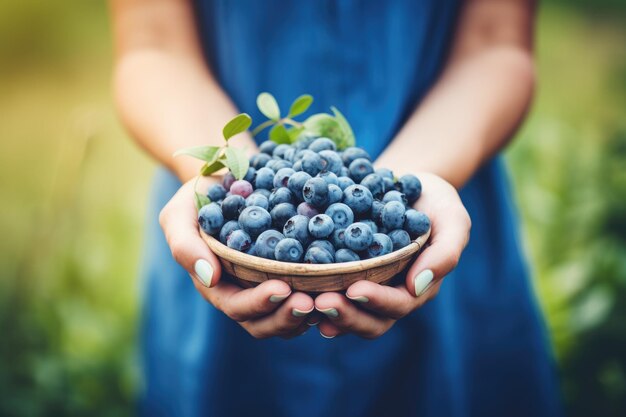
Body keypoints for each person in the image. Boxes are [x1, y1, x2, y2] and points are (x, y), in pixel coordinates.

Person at [110, 0, 562, 416]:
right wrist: (225, 173)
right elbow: (152, 46)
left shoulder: (389, 210)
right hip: (221, 269)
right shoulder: (249, 203)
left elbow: (496, 44)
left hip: (448, 189)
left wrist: (408, 183)